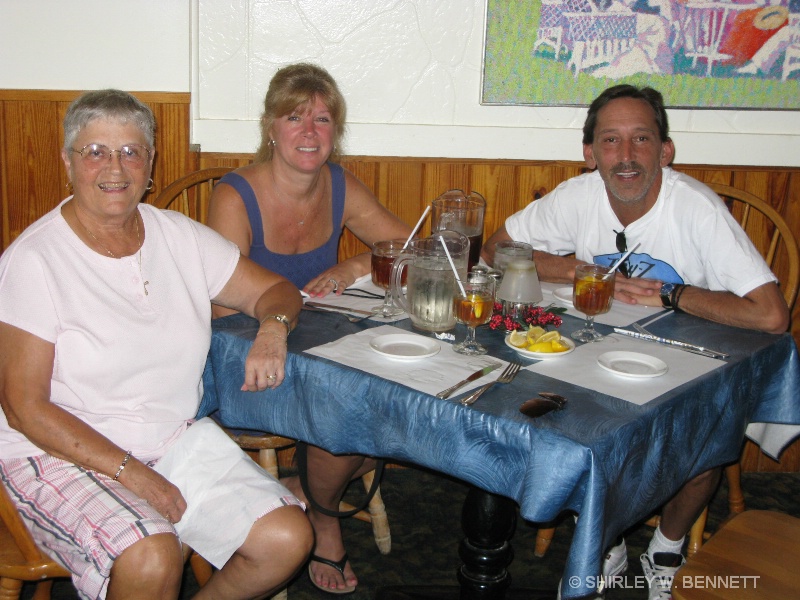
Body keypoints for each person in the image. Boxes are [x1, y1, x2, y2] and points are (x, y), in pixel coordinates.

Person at [0, 89, 314, 600]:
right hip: (56, 451)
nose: (115, 168)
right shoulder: (35, 261)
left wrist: (273, 328)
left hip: (168, 440)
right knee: (152, 552)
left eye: (131, 151)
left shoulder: (180, 237)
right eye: (95, 151)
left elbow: (274, 291)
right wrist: (136, 477)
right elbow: (24, 408)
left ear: (150, 163)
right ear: (67, 161)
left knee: (286, 537)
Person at [483, 84, 789, 600]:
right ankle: (605, 544)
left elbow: (771, 314)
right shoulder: (577, 195)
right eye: (610, 141)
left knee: (705, 433)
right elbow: (496, 251)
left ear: (665, 151)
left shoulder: (696, 209)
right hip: (593, 354)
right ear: (590, 154)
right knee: (548, 412)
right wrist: (580, 268)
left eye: (641, 139)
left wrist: (671, 294)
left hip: (686, 363)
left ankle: (666, 548)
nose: (625, 157)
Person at [206, 63, 412, 594]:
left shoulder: (340, 185)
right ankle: (323, 520)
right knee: (346, 410)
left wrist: (354, 266)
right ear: (270, 127)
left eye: (322, 119)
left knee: (400, 402)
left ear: (334, 133)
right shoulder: (235, 195)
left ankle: (306, 481)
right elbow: (224, 312)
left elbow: (409, 248)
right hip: (248, 355)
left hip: (319, 345)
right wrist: (283, 326)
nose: (309, 131)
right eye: (294, 117)